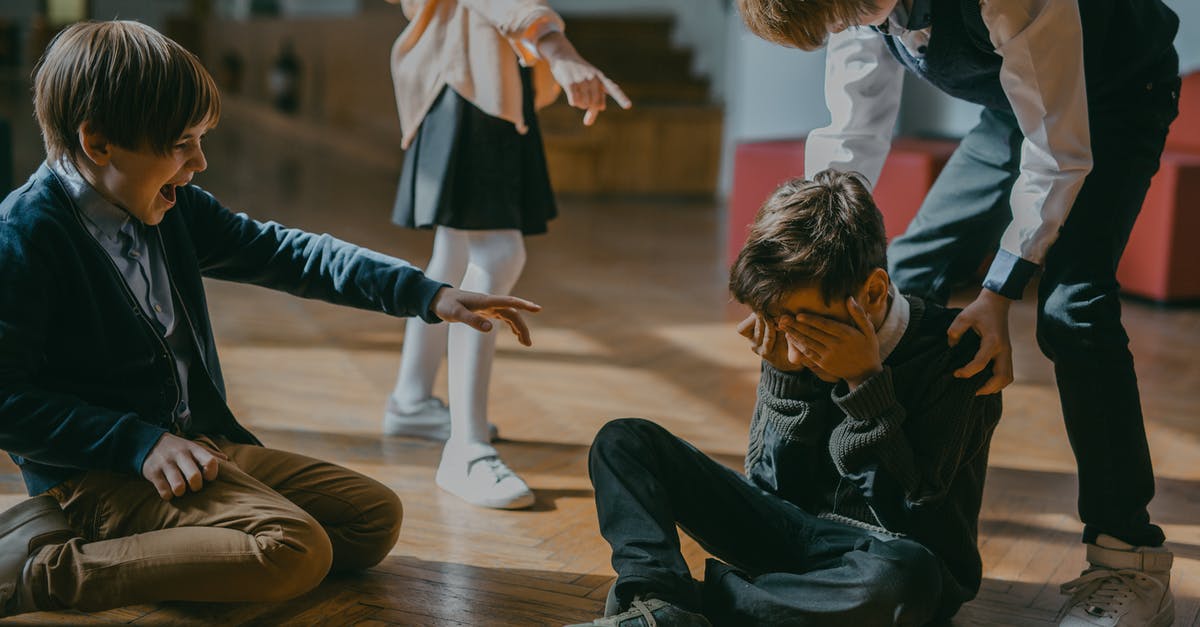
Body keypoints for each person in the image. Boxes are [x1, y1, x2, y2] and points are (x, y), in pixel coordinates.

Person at [0, 20, 540, 617]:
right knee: (296, 549)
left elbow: (285, 252)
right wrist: (138, 442)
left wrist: (426, 293)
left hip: (194, 450)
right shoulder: (24, 235)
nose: (200, 162)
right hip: (94, 481)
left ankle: (184, 544)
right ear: (99, 143)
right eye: (182, 144)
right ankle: (42, 571)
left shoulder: (166, 205)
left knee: (370, 519)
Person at [736, 0, 1181, 624]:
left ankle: (1128, 560)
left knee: (1072, 312)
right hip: (1013, 109)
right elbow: (853, 127)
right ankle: (879, 516)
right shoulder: (851, 11)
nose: (846, 27)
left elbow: (1059, 152)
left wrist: (998, 292)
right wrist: (812, 268)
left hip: (1116, 95)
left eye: (843, 14)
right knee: (902, 279)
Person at [571, 171, 1002, 626]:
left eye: (809, 326)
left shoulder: (958, 356)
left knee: (905, 581)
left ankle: (688, 609)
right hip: (792, 539)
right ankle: (658, 597)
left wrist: (864, 383)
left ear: (872, 291)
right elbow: (772, 490)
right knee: (623, 442)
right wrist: (784, 379)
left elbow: (911, 519)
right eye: (778, 322)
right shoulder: (791, 321)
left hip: (887, 557)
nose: (794, 343)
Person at [383, 0, 630, 510]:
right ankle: (466, 448)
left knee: (454, 248)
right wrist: (556, 47)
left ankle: (411, 399)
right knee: (498, 252)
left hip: (480, 74)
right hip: (472, 78)